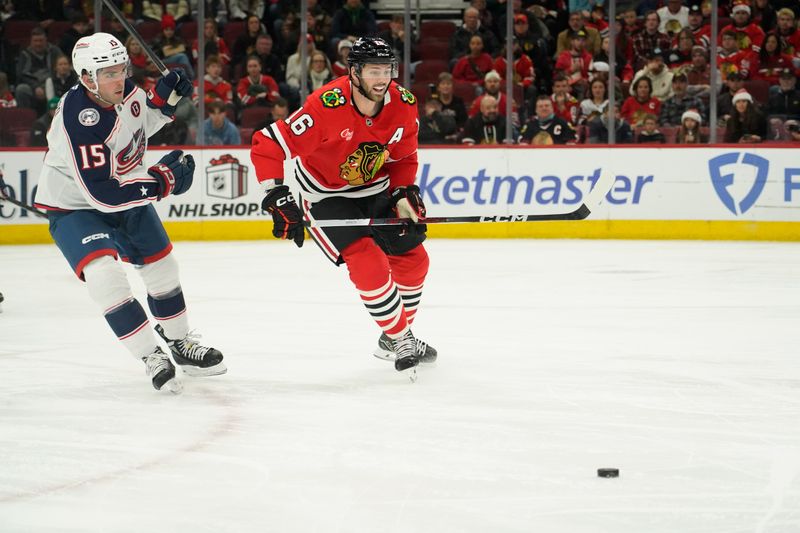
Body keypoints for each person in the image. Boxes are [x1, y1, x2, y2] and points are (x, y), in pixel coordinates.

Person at [32, 33, 226, 393]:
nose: (119, 78)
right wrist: (161, 183)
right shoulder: (79, 118)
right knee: (105, 276)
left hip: (123, 190)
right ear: (87, 77)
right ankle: (151, 355)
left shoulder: (122, 91)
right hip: (75, 206)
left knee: (163, 267)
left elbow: (141, 123)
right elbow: (102, 194)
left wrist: (162, 100)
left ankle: (181, 343)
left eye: (121, 69)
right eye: (108, 73)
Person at [249, 37, 436, 375]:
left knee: (414, 259)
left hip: (375, 189)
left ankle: (393, 336)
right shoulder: (325, 107)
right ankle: (402, 337)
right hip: (325, 196)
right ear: (354, 72)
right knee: (367, 260)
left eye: (387, 70)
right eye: (373, 71)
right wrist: (276, 195)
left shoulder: (403, 104)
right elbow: (267, 145)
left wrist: (402, 192)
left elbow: (404, 156)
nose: (382, 79)